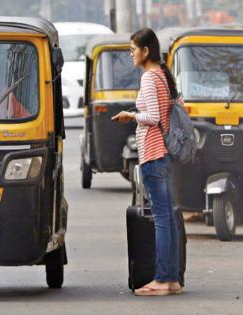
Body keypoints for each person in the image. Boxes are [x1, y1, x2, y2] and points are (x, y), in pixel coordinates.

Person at [111, 28, 183, 296]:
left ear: (146, 51)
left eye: (133, 50)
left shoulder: (151, 78)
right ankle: (172, 279)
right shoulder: (163, 76)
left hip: (154, 153)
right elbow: (176, 107)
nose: (131, 54)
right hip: (164, 153)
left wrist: (130, 116)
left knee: (163, 218)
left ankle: (163, 280)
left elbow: (152, 116)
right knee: (168, 217)